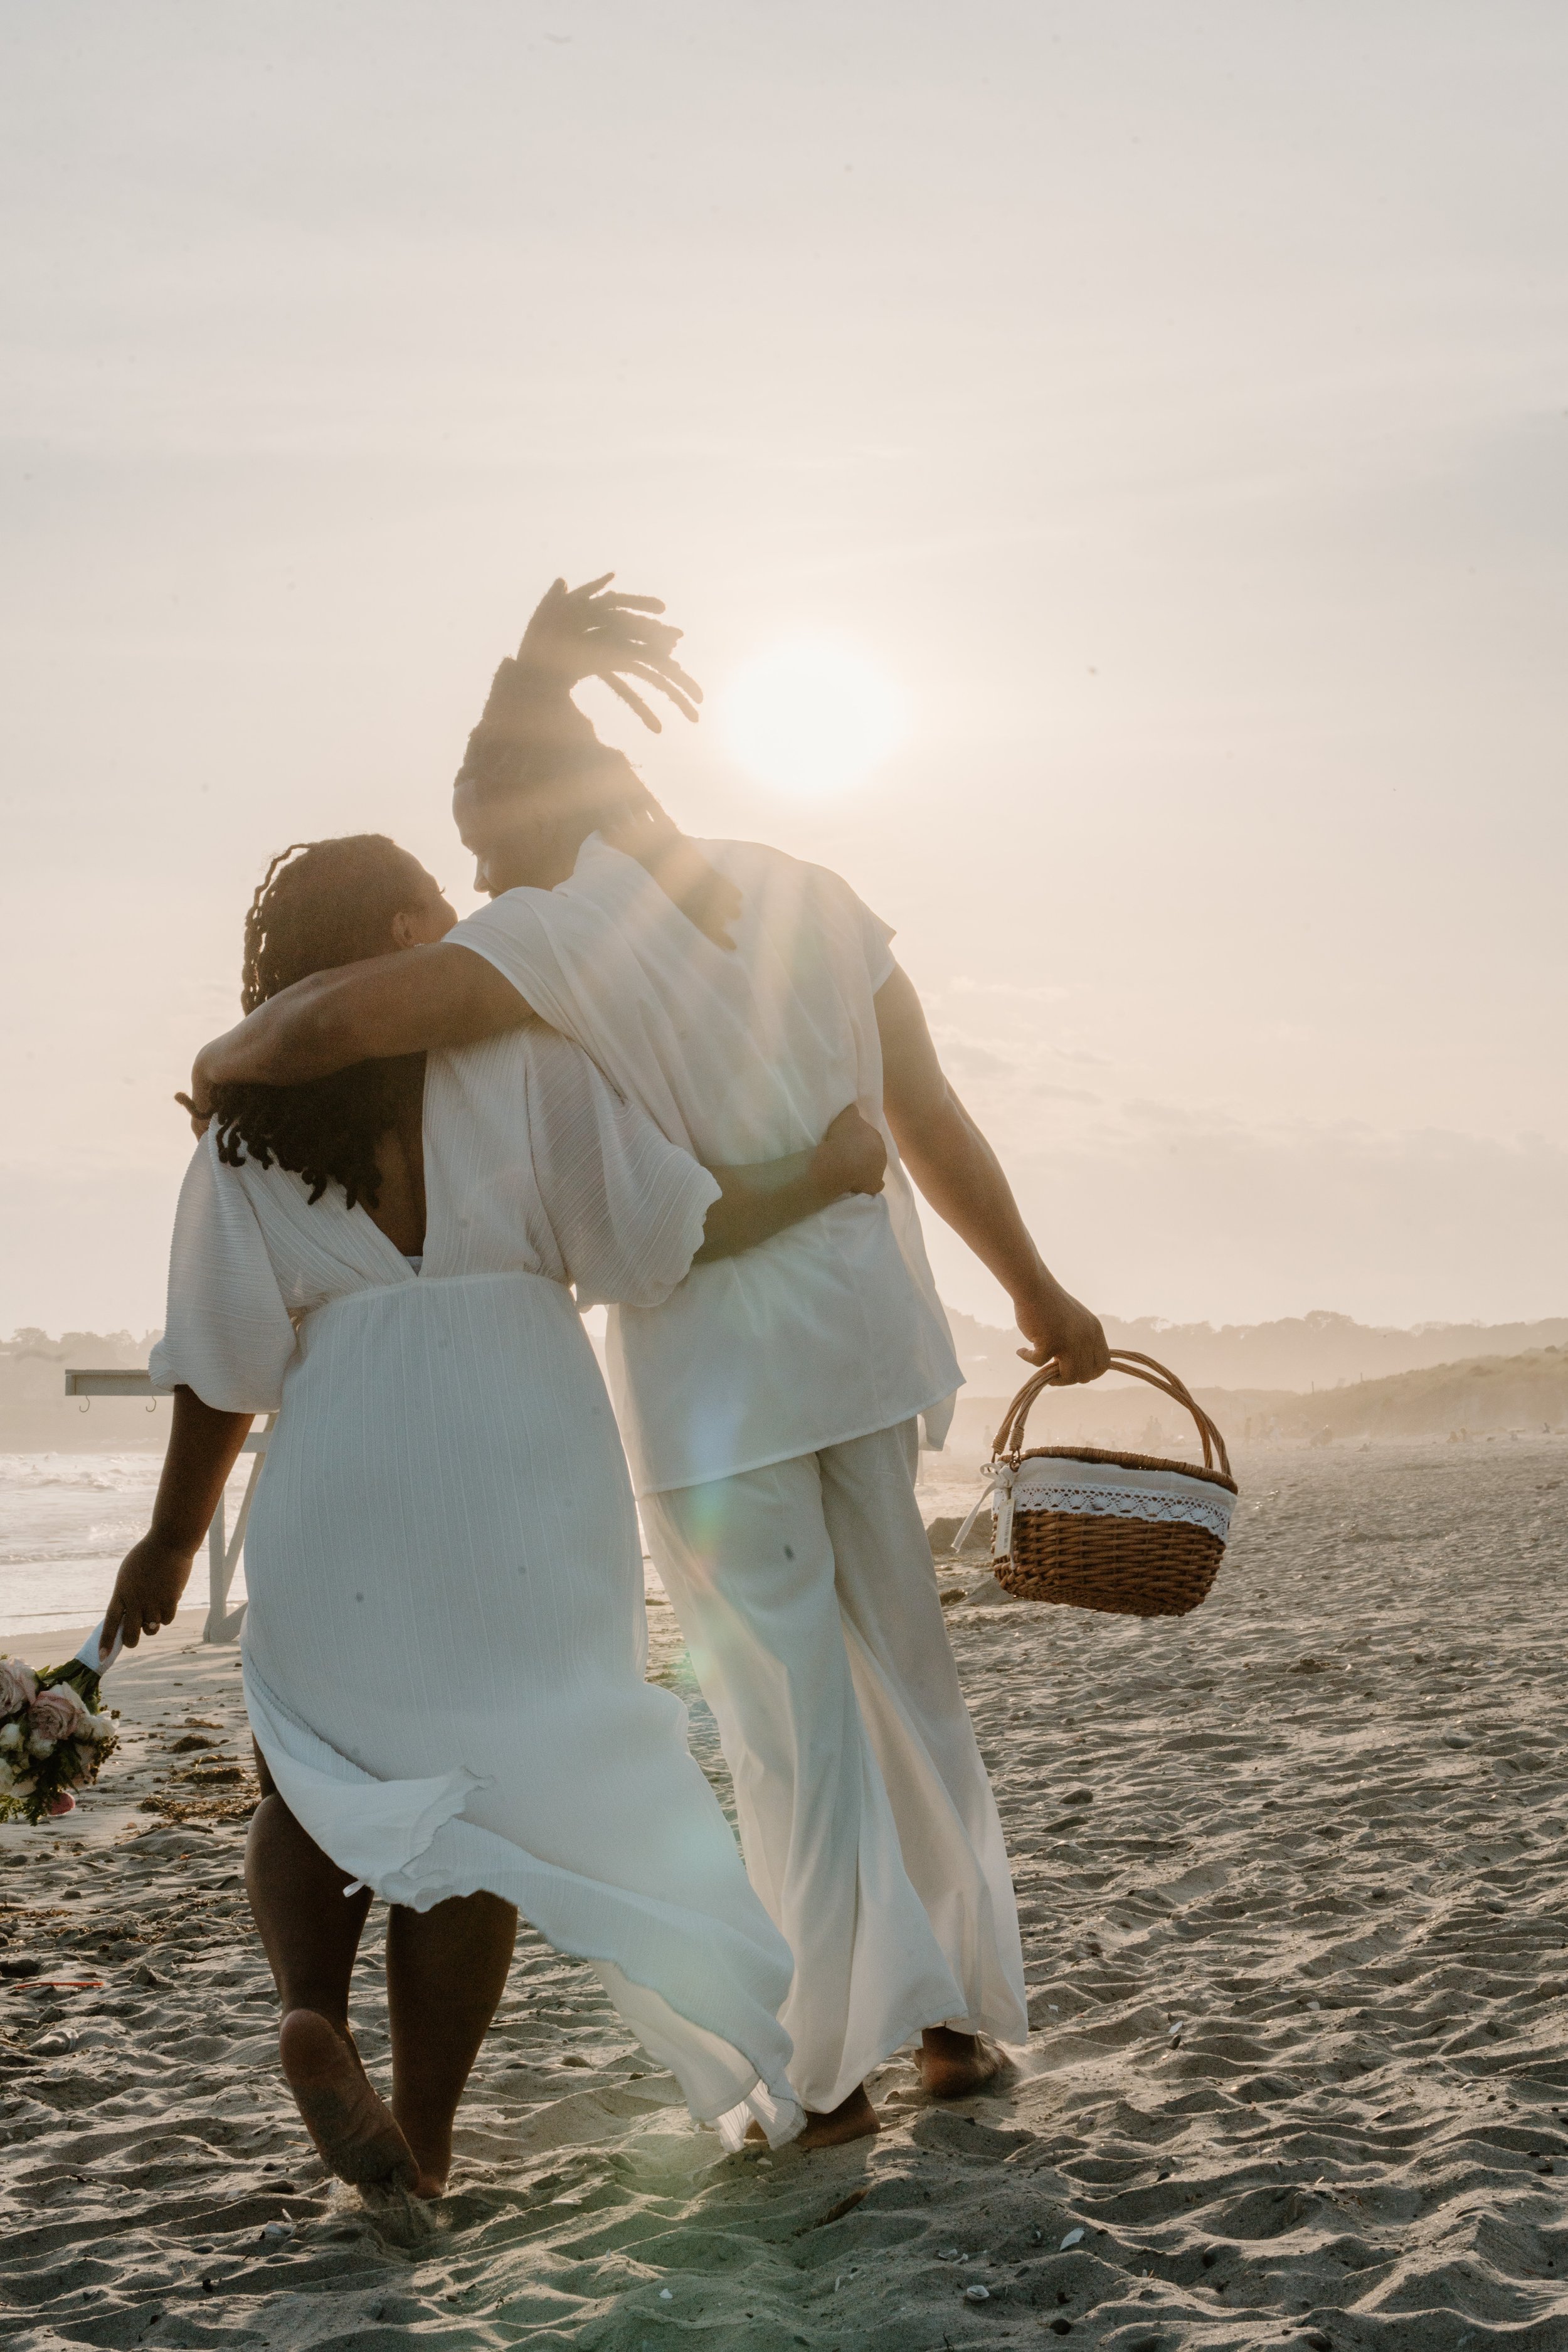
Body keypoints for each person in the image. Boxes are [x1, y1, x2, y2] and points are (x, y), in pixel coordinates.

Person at [189, 580, 1111, 2148]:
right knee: (907, 1698)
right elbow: (927, 1122)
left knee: (783, 1730)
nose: (469, 873)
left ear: (538, 819)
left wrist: (221, 1056)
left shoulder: (553, 937)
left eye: (478, 838)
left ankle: (822, 2069)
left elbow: (329, 1031)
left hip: (708, 1388)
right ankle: (952, 2026)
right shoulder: (810, 891)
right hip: (868, 1350)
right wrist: (1035, 1290)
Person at [105, 831, 891, 2192]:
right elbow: (664, 1236)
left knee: (317, 1768)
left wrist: (170, 1543)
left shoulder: (243, 1130)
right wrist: (819, 1176)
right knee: (517, 1787)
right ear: (412, 927)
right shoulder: (529, 1059)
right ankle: (456, 2126)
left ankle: (310, 2006)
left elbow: (219, 1365)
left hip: (349, 1468)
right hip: (525, 1464)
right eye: (443, 903)